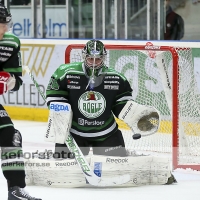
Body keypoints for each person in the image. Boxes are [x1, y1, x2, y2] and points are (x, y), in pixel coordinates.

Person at [46, 39, 133, 158]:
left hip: (106, 133)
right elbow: (54, 93)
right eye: (90, 58)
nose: (93, 63)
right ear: (84, 56)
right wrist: (60, 110)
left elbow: (122, 105)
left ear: (103, 58)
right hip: (73, 133)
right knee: (65, 172)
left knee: (115, 171)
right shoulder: (65, 72)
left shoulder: (117, 78)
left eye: (98, 59)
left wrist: (133, 113)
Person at [0, 4, 41, 200]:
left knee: (11, 136)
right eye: (0, 24)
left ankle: (15, 189)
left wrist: (9, 81)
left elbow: (15, 81)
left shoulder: (10, 43)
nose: (5, 29)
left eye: (5, 24)